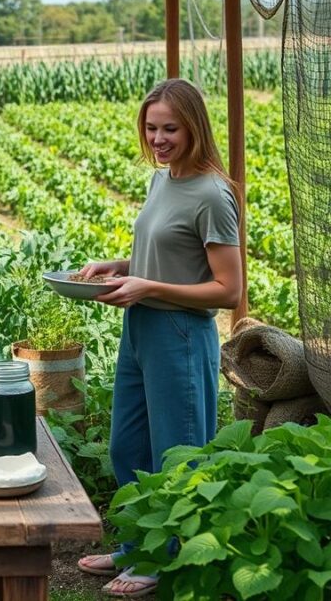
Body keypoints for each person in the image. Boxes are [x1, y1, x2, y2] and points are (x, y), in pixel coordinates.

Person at [76, 79, 242, 598]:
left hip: (180, 332)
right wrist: (121, 266)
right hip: (141, 327)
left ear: (194, 126)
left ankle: (166, 560)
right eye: (151, 127)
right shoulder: (163, 180)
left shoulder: (214, 194)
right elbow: (167, 250)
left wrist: (147, 285)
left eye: (170, 128)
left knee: (179, 453)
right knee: (128, 445)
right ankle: (136, 546)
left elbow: (228, 289)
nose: (159, 138)